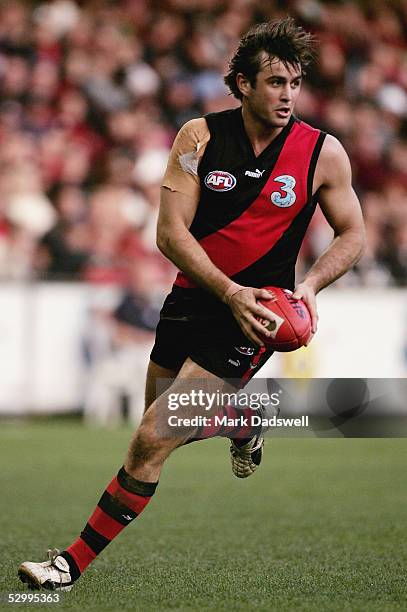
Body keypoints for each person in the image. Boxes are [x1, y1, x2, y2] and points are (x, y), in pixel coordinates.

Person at [18, 18, 365, 592]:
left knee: (153, 437)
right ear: (243, 85)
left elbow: (352, 234)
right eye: (274, 82)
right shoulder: (198, 138)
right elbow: (169, 234)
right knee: (159, 421)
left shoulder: (322, 153)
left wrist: (310, 285)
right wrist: (225, 290)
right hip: (195, 300)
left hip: (254, 317)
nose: (286, 95)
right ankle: (243, 422)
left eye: (295, 83)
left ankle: (68, 566)